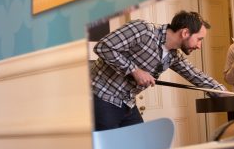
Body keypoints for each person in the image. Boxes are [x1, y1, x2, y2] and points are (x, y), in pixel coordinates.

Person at [91, 10, 226, 131]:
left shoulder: (173, 56)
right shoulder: (143, 30)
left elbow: (196, 75)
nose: (199, 46)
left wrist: (223, 93)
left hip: (127, 103)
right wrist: (134, 70)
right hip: (102, 97)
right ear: (185, 33)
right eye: (199, 39)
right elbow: (103, 47)